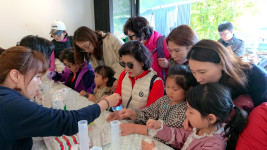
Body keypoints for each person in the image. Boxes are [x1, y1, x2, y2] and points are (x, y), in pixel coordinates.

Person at [0, 46, 120, 150]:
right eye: (37, 77)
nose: (40, 83)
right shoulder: (10, 105)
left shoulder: (7, 99)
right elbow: (69, 121)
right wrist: (105, 103)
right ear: (15, 75)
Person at [142, 83, 247, 150]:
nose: (186, 114)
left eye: (191, 112)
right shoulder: (198, 128)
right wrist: (159, 127)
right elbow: (180, 136)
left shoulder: (214, 146)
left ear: (211, 118)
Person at [117, 65, 197, 138]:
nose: (170, 92)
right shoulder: (164, 100)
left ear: (188, 89)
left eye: (175, 89)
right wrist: (132, 113)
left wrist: (138, 127)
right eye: (167, 87)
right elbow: (148, 113)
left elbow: (168, 131)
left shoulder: (186, 109)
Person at [187, 39, 267, 107]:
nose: (198, 79)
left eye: (202, 72)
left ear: (222, 64)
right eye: (193, 72)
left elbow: (262, 113)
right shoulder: (203, 78)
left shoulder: (257, 78)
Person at [106, 41, 165, 121]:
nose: (126, 69)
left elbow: (153, 115)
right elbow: (118, 99)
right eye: (124, 64)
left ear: (142, 62)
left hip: (143, 126)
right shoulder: (124, 74)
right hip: (126, 120)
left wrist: (131, 115)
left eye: (130, 65)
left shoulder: (156, 82)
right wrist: (107, 101)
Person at [73, 26, 125, 92]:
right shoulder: (91, 52)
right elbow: (97, 72)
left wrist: (118, 79)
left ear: (92, 38)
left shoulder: (111, 39)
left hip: (123, 79)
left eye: (86, 47)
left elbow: (125, 60)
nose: (86, 51)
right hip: (109, 83)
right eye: (83, 49)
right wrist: (98, 85)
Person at [123, 16, 170, 81]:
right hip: (144, 85)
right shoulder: (135, 46)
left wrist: (168, 64)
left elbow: (181, 64)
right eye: (128, 37)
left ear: (142, 34)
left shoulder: (162, 43)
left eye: (131, 37)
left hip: (160, 85)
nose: (129, 40)